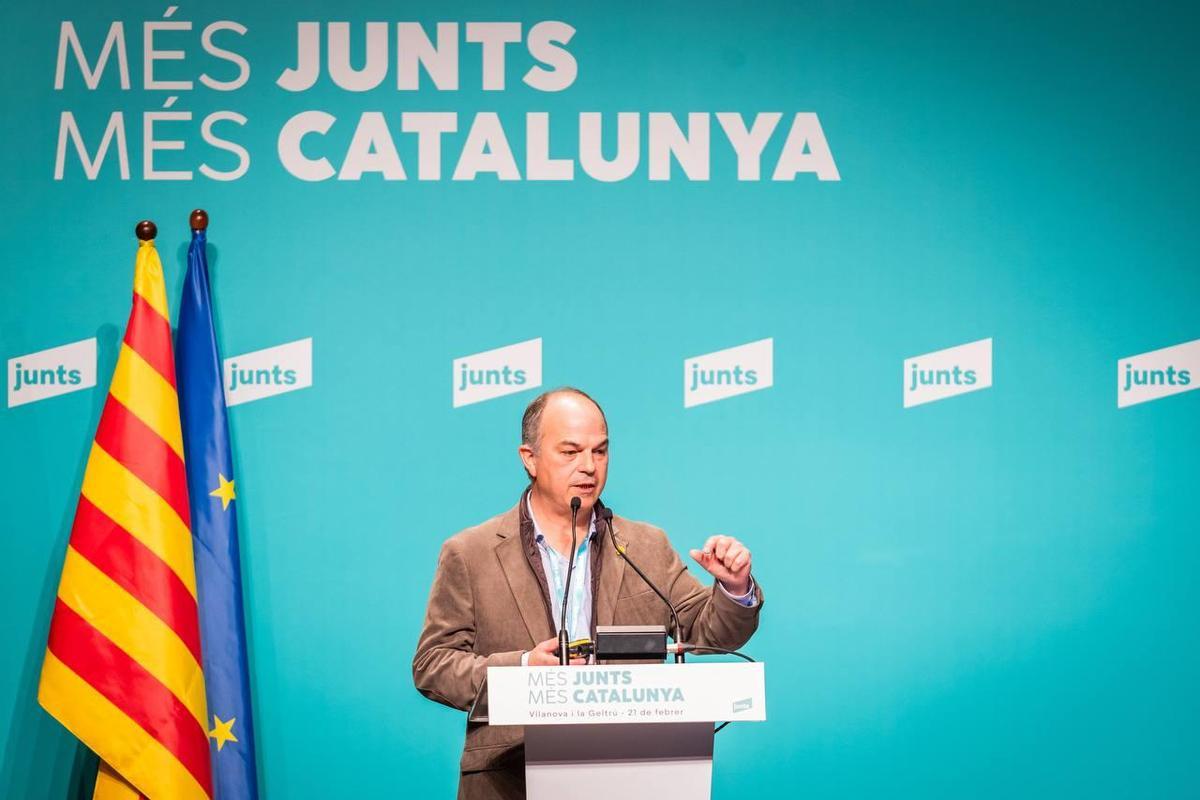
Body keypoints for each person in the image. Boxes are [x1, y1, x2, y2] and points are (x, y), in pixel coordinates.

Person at [412, 387, 764, 799]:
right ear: (530, 459)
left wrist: (733, 587)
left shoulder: (645, 545)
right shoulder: (470, 553)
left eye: (600, 451)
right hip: (510, 778)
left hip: (629, 774)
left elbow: (708, 632)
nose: (589, 467)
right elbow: (433, 665)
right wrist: (522, 670)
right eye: (570, 452)